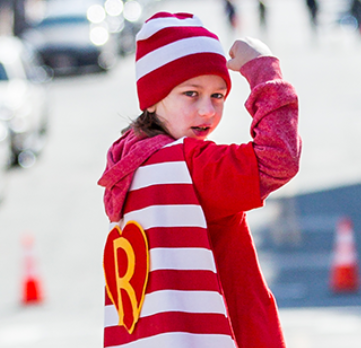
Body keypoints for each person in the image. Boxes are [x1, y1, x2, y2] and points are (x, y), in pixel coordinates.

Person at [98, 11, 301, 348]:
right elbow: (279, 157)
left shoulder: (128, 163)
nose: (207, 110)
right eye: (191, 94)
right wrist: (263, 69)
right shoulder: (190, 167)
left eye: (218, 95)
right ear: (153, 97)